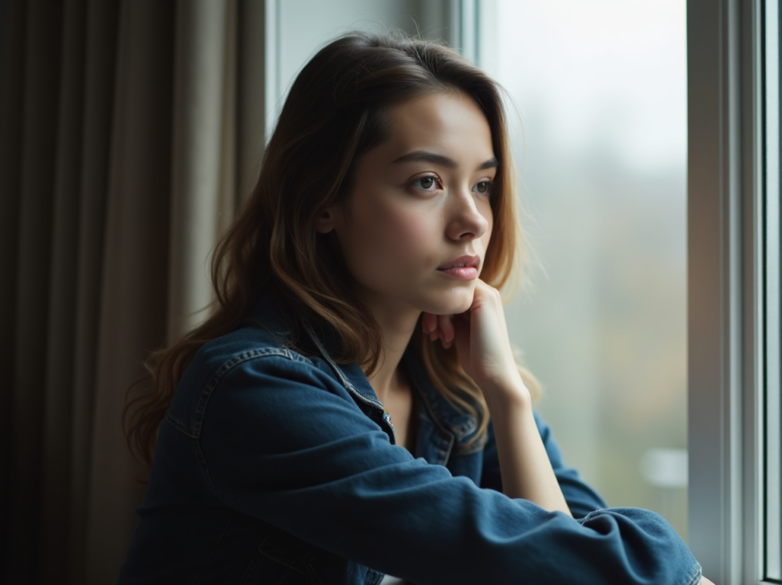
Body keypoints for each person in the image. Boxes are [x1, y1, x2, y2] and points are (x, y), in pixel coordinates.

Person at [119, 31, 711, 585]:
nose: (474, 220)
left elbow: (570, 549)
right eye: (427, 182)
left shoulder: (453, 396)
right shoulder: (255, 389)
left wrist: (506, 393)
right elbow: (568, 565)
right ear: (323, 201)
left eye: (482, 184)